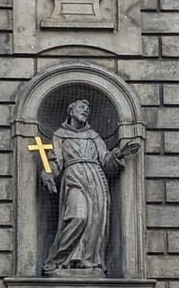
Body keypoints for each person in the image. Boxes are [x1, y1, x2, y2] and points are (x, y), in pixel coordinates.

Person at [42, 99, 136, 275]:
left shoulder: (94, 136)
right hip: (74, 177)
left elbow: (106, 162)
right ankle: (60, 258)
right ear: (71, 111)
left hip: (96, 179)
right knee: (78, 216)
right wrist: (47, 172)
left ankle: (86, 260)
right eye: (81, 107)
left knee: (95, 220)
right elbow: (55, 161)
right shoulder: (60, 135)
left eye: (88, 108)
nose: (85, 110)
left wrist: (120, 153)